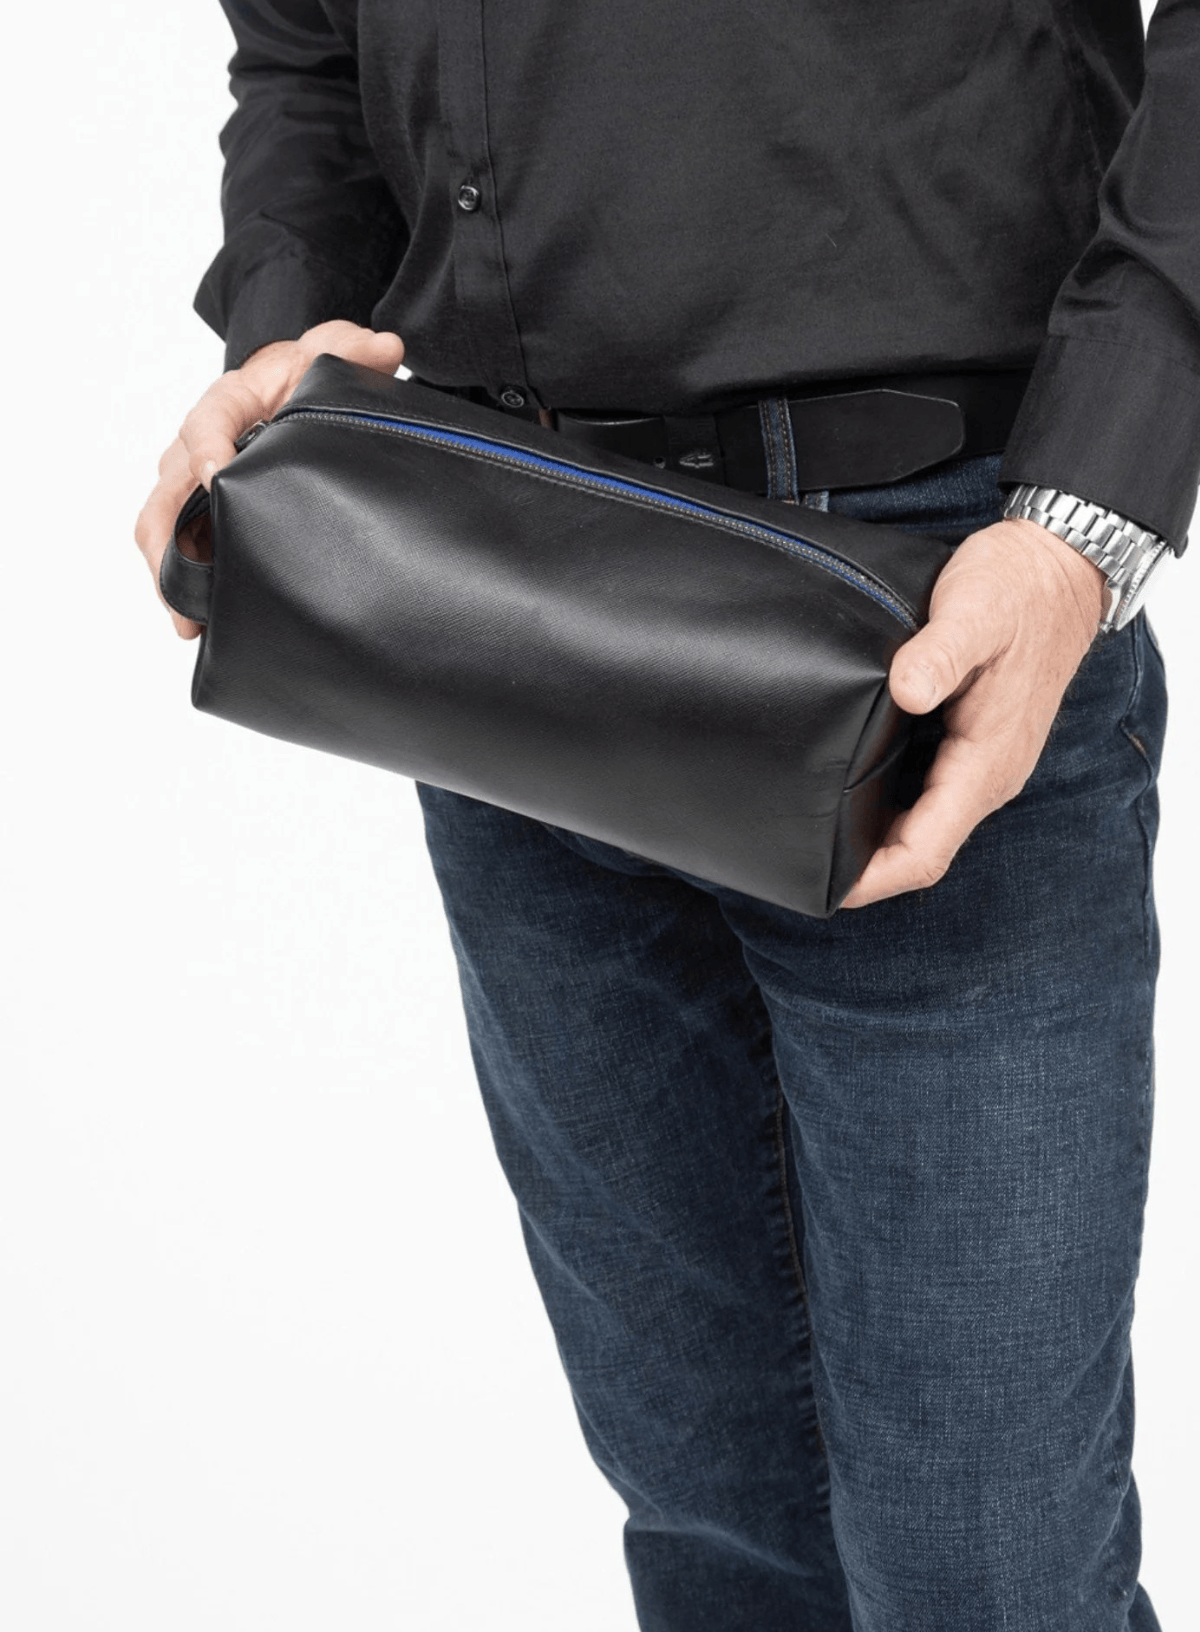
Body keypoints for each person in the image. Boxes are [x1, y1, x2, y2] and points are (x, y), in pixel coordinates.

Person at [135, 4, 1193, 1627]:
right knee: (711, 1534)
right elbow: (300, 49)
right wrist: (287, 336)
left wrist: (1091, 510)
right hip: (491, 586)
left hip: (933, 606)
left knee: (989, 1581)